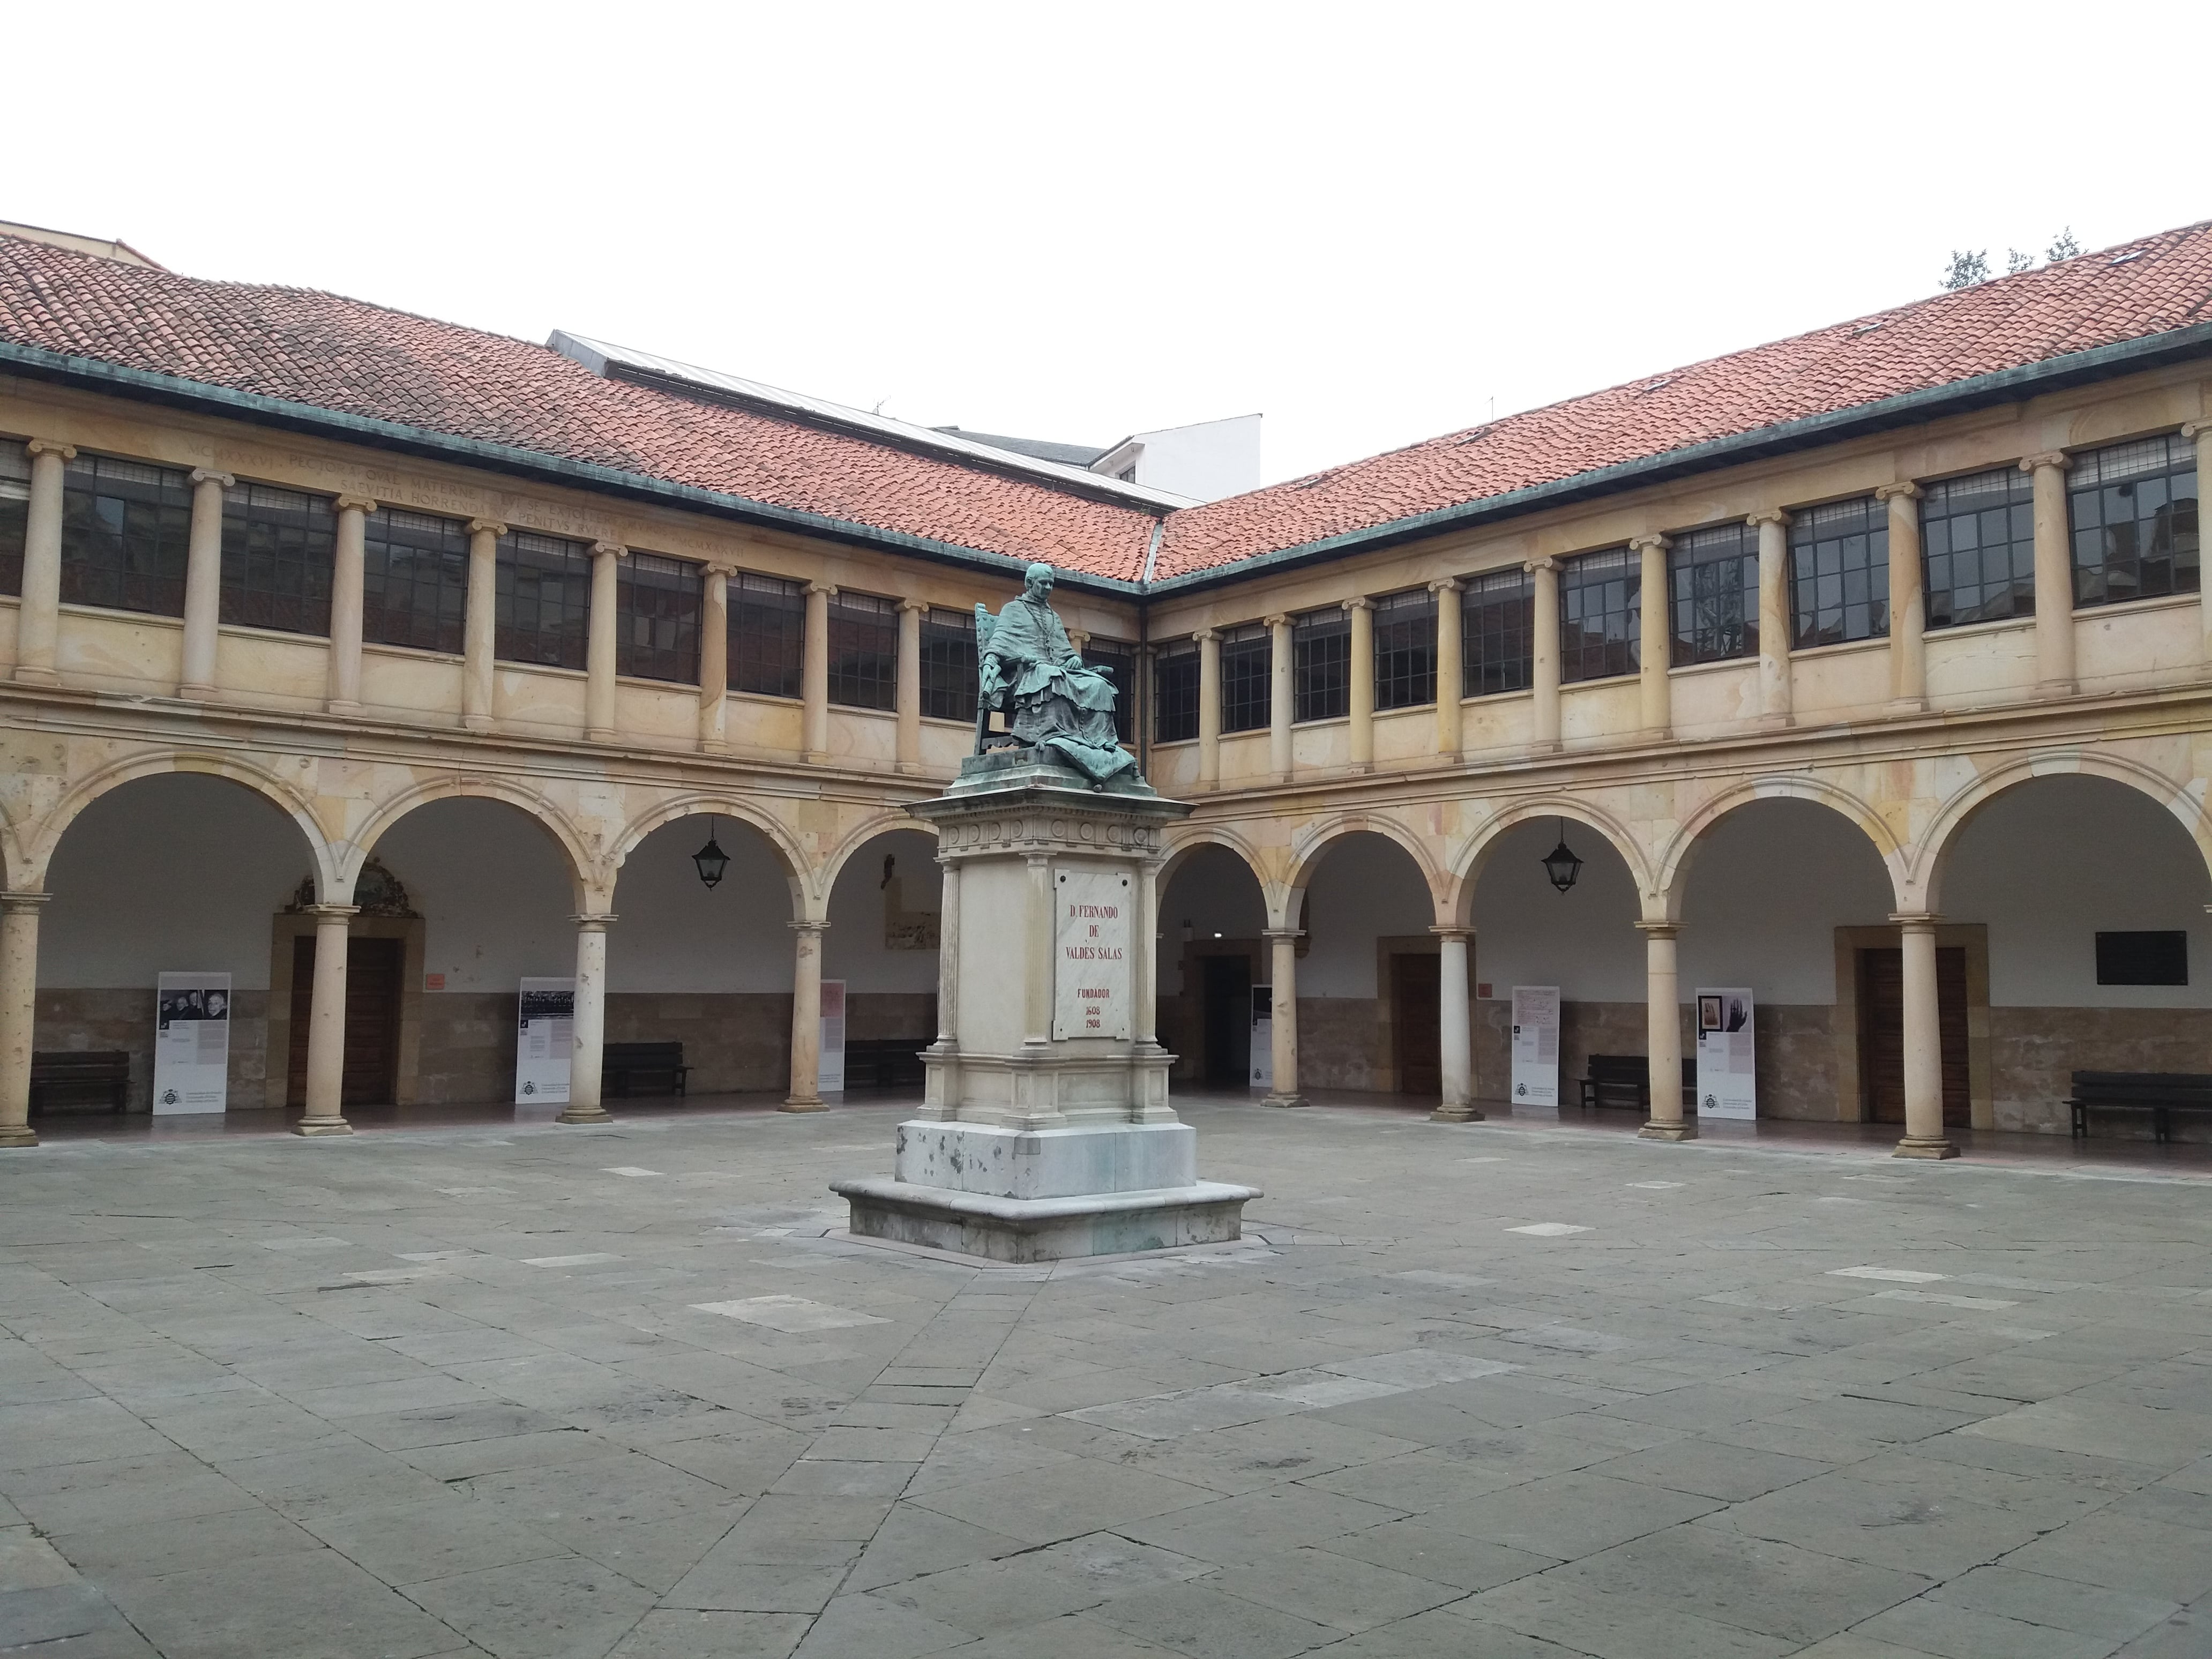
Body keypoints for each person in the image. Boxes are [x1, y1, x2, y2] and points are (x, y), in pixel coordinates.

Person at [978, 563, 1138, 786]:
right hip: (1022, 676)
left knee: (1098, 685)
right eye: (1043, 583)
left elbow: (1064, 651)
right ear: (1029, 583)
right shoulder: (1012, 610)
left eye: (1051, 584)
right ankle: (1053, 735)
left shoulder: (1054, 617)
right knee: (1050, 676)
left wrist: (1074, 659)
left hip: (1056, 671)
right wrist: (990, 664)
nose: (1048, 588)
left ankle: (1098, 743)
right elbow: (998, 645)